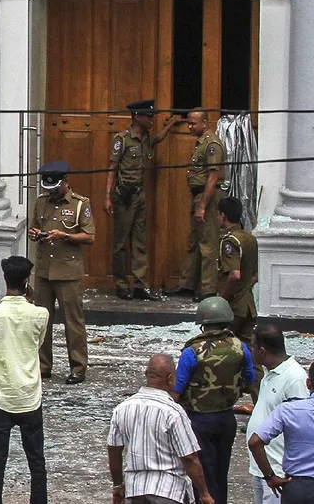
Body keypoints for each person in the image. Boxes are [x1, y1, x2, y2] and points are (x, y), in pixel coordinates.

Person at [0, 256, 48, 504]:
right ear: (27, 281)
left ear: (5, 280)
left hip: (2, 397)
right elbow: (36, 345)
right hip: (30, 396)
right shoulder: (40, 314)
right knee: (37, 462)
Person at [174, 296, 256, 504]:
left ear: (203, 324)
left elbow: (177, 388)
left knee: (202, 475)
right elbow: (250, 380)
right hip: (226, 417)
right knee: (220, 472)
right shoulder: (240, 347)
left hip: (199, 420)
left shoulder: (192, 351)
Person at [108, 354, 215, 504]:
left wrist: (118, 486)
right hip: (168, 490)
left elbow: (114, 451)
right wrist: (204, 493)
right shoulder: (173, 412)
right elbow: (189, 457)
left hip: (135, 491)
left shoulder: (122, 408)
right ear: (171, 378)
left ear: (147, 375)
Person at [103, 100, 179, 300]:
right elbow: (112, 167)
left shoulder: (146, 138)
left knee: (140, 241)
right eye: (149, 116)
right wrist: (107, 197)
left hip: (139, 195)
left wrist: (171, 124)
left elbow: (158, 139)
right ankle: (121, 284)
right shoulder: (123, 139)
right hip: (124, 196)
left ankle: (139, 284)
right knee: (121, 243)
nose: (152, 120)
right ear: (137, 116)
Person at [30, 160, 94, 384]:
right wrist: (35, 233)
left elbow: (89, 236)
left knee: (73, 322)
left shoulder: (80, 204)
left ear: (66, 182)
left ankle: (78, 366)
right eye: (48, 188)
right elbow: (35, 226)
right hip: (44, 271)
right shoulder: (40, 202)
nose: (52, 192)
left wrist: (64, 236)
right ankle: (43, 365)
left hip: (68, 271)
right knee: (41, 321)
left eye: (55, 187)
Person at [249, 359, 314, 504]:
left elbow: (255, 442)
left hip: (294, 487)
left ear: (308, 383)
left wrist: (270, 476)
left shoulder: (288, 409)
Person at [242, 324, 308, 504]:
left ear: (262, 351)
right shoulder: (270, 374)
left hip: (278, 472)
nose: (251, 351)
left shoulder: (294, 379)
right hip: (262, 467)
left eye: (253, 347)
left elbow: (300, 426)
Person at [179, 109, 226, 301]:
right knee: (194, 242)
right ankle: (187, 285)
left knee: (208, 244)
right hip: (198, 196)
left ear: (205, 123)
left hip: (208, 198)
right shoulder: (200, 144)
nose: (190, 126)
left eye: (193, 123)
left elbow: (213, 178)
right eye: (188, 123)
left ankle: (208, 289)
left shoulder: (212, 144)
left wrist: (202, 206)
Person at [216, 196, 258, 343]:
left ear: (223, 216)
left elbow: (234, 275)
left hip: (233, 307)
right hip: (249, 306)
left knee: (222, 347)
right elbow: (254, 277)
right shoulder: (250, 238)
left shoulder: (230, 241)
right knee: (248, 351)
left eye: (218, 214)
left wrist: (221, 300)